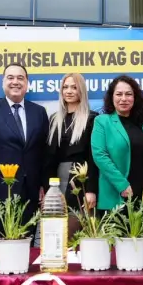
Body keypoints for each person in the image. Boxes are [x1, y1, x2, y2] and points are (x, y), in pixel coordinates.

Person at [0, 63, 48, 238]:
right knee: (1, 242)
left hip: (31, 191)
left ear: (27, 83)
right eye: (10, 77)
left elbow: (43, 152)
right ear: (3, 82)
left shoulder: (39, 112)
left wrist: (43, 185)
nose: (15, 82)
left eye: (20, 78)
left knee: (27, 241)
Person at [44, 73, 98, 234]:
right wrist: (46, 188)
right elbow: (48, 158)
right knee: (56, 231)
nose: (69, 91)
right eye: (65, 87)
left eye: (74, 87)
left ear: (81, 90)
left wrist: (91, 190)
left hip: (81, 180)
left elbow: (94, 158)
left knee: (76, 229)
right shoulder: (54, 119)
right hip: (56, 182)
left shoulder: (92, 118)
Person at [91, 76, 143, 210]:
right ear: (111, 97)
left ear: (135, 97)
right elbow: (100, 155)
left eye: (128, 94)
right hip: (116, 193)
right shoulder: (102, 121)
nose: (124, 99)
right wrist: (122, 185)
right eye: (119, 94)